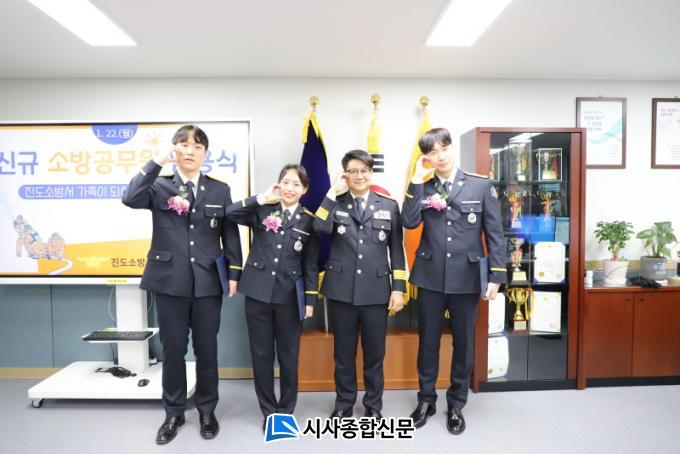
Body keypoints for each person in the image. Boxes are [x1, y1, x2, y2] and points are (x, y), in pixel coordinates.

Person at [122, 124, 242, 444]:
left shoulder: (219, 190)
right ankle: (173, 413)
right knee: (173, 350)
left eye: (197, 146)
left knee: (207, 350)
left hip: (207, 282)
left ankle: (207, 410)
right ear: (175, 149)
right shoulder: (158, 184)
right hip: (169, 281)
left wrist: (234, 273)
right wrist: (157, 161)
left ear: (205, 153)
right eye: (184, 145)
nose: (190, 151)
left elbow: (229, 233)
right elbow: (129, 197)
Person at [401, 127, 506, 435]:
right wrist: (415, 180)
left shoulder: (480, 185)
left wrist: (496, 276)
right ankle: (426, 400)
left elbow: (495, 234)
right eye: (432, 152)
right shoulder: (423, 186)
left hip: (467, 277)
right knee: (428, 343)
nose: (440, 156)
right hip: (430, 277)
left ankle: (457, 404)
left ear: (451, 148)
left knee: (463, 343)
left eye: (444, 149)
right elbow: (409, 221)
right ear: (426, 157)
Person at [313, 149, 406, 420]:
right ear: (345, 174)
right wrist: (332, 192)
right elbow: (319, 227)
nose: (359, 176)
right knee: (343, 355)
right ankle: (344, 405)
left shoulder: (389, 205)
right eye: (353, 171)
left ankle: (373, 406)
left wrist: (398, 288)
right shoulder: (335, 202)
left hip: (376, 292)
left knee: (375, 355)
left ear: (371, 173)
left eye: (364, 170)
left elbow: (396, 250)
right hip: (341, 291)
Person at [224, 164, 319, 431]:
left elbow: (310, 264)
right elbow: (229, 213)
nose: (290, 188)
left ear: (305, 190)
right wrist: (262, 197)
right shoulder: (263, 209)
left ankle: (285, 412)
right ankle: (268, 412)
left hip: (290, 297)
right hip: (257, 293)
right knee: (261, 355)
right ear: (278, 184)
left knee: (289, 357)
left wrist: (310, 300)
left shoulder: (309, 220)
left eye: (296, 184)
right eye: (285, 182)